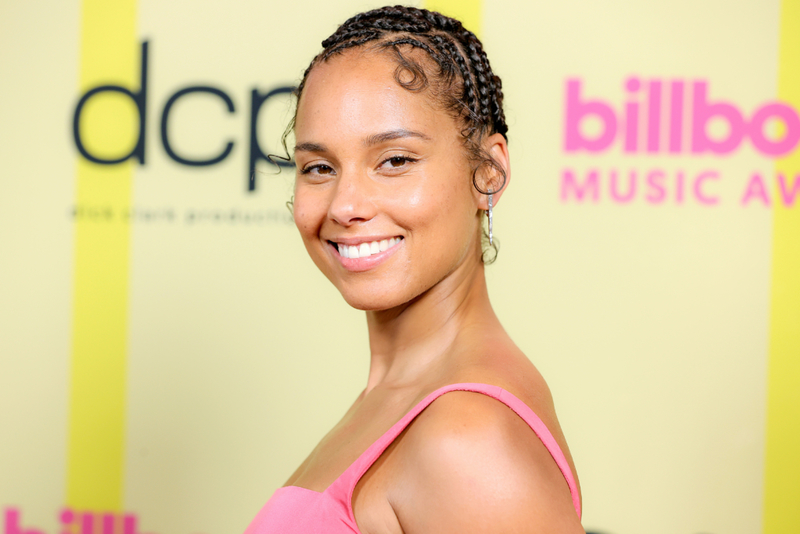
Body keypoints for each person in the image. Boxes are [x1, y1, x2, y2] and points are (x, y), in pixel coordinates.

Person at [245, 5, 583, 533]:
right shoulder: (400, 396)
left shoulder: (467, 438)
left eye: (395, 160)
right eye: (319, 167)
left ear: (488, 172)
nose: (344, 205)